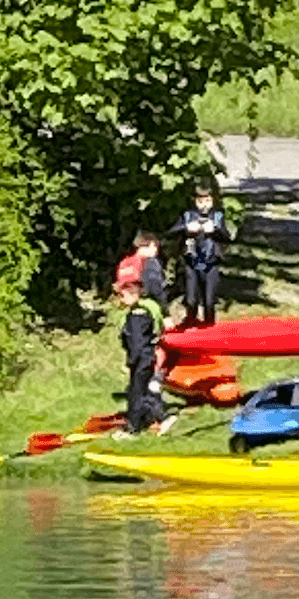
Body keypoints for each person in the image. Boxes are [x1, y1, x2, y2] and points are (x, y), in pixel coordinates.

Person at [114, 280, 174, 436]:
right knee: (146, 391)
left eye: (123, 296)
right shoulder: (135, 315)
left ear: (134, 296)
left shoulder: (139, 317)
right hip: (142, 359)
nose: (121, 299)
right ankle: (156, 418)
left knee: (136, 393)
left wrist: (133, 361)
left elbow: (138, 345)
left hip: (142, 359)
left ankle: (134, 428)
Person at [167, 186, 232, 327]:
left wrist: (214, 230)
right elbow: (171, 232)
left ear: (213, 201)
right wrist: (186, 228)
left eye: (207, 200)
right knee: (191, 299)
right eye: (200, 200)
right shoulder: (187, 215)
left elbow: (227, 237)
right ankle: (190, 322)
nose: (204, 204)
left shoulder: (218, 215)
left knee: (209, 301)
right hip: (192, 261)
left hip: (211, 262)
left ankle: (209, 325)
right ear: (195, 201)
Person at [115, 230, 169, 314]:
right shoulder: (149, 263)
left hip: (126, 305)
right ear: (143, 246)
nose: (156, 250)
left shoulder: (125, 262)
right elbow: (156, 289)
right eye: (154, 246)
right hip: (145, 305)